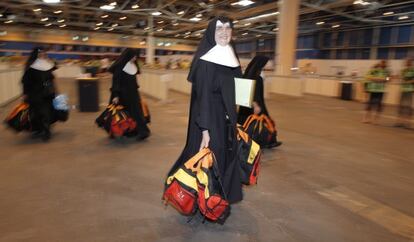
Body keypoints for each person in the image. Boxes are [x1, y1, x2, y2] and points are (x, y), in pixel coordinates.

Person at [166, 17, 243, 205]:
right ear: (211, 33)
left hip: (227, 118)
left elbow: (239, 88)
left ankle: (220, 195)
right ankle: (204, 200)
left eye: (228, 28)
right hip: (210, 118)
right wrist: (205, 130)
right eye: (219, 29)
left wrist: (238, 115)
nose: (224, 32)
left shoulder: (231, 55)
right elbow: (204, 98)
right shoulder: (206, 61)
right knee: (209, 159)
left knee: (224, 155)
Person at [238, 55, 282, 148]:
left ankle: (266, 141)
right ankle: (266, 141)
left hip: (250, 105)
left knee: (250, 123)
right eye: (264, 64)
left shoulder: (249, 75)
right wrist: (255, 105)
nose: (265, 66)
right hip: (255, 105)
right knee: (258, 123)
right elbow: (250, 91)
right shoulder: (255, 77)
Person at [108, 48, 150, 140]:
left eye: (136, 57)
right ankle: (122, 131)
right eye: (134, 56)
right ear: (128, 56)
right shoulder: (120, 66)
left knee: (136, 113)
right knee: (121, 115)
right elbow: (116, 82)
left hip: (133, 94)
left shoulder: (133, 65)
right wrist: (115, 95)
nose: (135, 58)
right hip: (122, 94)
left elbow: (134, 82)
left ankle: (142, 132)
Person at [22, 47, 57, 141]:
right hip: (34, 93)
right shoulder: (31, 66)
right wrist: (25, 93)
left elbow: (54, 71)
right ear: (36, 54)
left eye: (44, 53)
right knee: (35, 113)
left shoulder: (48, 64)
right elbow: (26, 81)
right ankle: (38, 129)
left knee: (45, 112)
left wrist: (49, 60)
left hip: (46, 93)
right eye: (40, 53)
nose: (43, 54)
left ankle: (46, 132)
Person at [363, 60, 390, 124]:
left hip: (381, 90)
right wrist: (381, 79)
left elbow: (388, 79)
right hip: (373, 89)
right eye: (382, 63)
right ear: (380, 64)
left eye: (384, 63)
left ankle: (375, 120)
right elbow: (369, 77)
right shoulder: (375, 70)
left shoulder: (387, 71)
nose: (383, 65)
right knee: (370, 104)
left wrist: (382, 79)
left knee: (379, 105)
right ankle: (366, 118)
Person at [396, 58, 414, 128]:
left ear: (411, 63)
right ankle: (399, 122)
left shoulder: (412, 70)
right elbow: (401, 78)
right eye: (406, 62)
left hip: (409, 90)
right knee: (401, 106)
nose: (406, 63)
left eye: (408, 62)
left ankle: (407, 123)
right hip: (403, 89)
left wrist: (407, 82)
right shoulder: (403, 70)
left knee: (408, 107)